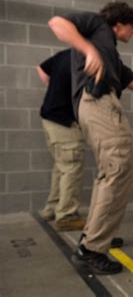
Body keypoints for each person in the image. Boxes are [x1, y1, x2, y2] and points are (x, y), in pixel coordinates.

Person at [48, 2, 133, 275]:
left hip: (99, 105)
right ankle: (92, 249)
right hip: (98, 103)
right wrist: (88, 50)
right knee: (118, 170)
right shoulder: (98, 27)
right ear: (120, 23)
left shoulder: (112, 57)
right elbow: (57, 23)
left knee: (109, 173)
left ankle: (96, 234)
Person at [37, 49, 86, 232]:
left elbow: (41, 68)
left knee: (61, 166)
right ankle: (67, 216)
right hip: (63, 122)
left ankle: (52, 208)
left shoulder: (66, 54)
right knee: (72, 167)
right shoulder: (88, 57)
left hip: (49, 117)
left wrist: (54, 90)